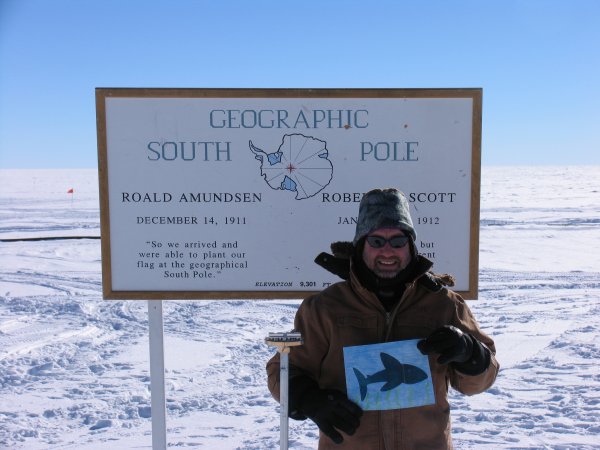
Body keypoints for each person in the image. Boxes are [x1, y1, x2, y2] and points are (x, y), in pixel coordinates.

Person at [266, 188, 499, 449]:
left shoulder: (444, 304)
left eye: (398, 241)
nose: (387, 251)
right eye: (376, 241)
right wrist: (308, 398)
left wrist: (470, 354)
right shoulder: (324, 308)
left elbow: (481, 380)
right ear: (360, 245)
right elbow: (282, 370)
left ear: (411, 247)